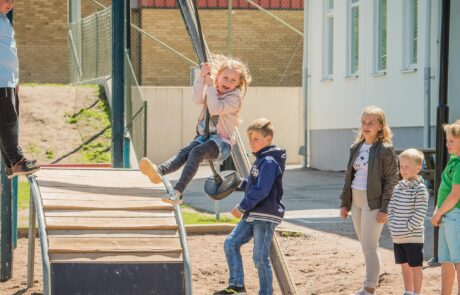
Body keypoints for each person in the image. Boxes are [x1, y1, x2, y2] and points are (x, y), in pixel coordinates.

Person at [213, 118, 286, 295]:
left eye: (256, 139)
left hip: (265, 215)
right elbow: (255, 185)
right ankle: (237, 285)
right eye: (250, 139)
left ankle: (266, 292)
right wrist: (236, 183)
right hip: (254, 214)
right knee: (231, 243)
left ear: (268, 139)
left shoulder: (268, 161)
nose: (251, 143)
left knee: (260, 258)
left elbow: (262, 190)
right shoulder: (261, 160)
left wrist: (241, 207)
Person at [339, 106, 399, 295]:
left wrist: (385, 208)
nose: (366, 126)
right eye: (364, 122)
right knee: (365, 246)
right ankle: (368, 283)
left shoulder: (385, 149)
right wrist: (344, 203)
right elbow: (348, 176)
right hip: (355, 201)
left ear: (380, 126)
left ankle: (369, 287)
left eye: (371, 123)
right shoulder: (355, 147)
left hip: (373, 203)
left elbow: (392, 180)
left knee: (369, 246)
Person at [0, 0, 40, 178]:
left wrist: (15, 80)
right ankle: (16, 160)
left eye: (13, 0)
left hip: (8, 80)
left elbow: (9, 50)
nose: (10, 4)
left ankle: (10, 163)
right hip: (1, 79)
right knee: (8, 122)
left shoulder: (4, 20)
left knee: (7, 121)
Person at [387, 149, 429, 295]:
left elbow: (420, 212)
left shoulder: (420, 189)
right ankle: (408, 291)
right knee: (404, 266)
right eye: (401, 166)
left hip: (413, 237)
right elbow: (391, 207)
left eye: (407, 166)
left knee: (415, 266)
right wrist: (392, 225)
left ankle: (416, 292)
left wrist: (407, 227)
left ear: (418, 168)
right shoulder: (398, 187)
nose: (403, 170)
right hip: (398, 236)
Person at [431, 120, 460, 295]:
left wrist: (439, 212)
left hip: (454, 217)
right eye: (447, 140)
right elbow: (444, 191)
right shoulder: (453, 162)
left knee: (458, 260)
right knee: (447, 260)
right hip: (446, 217)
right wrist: (437, 211)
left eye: (452, 141)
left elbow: (456, 195)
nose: (447, 144)